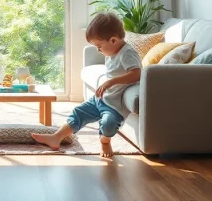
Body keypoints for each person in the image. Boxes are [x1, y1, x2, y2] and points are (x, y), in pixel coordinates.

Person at [32, 13, 141, 158]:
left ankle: (105, 141)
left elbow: (137, 73)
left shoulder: (127, 53)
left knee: (108, 125)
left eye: (99, 46)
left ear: (113, 40)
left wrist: (111, 82)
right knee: (79, 112)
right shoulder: (112, 53)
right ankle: (56, 137)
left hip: (115, 106)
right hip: (101, 99)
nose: (98, 50)